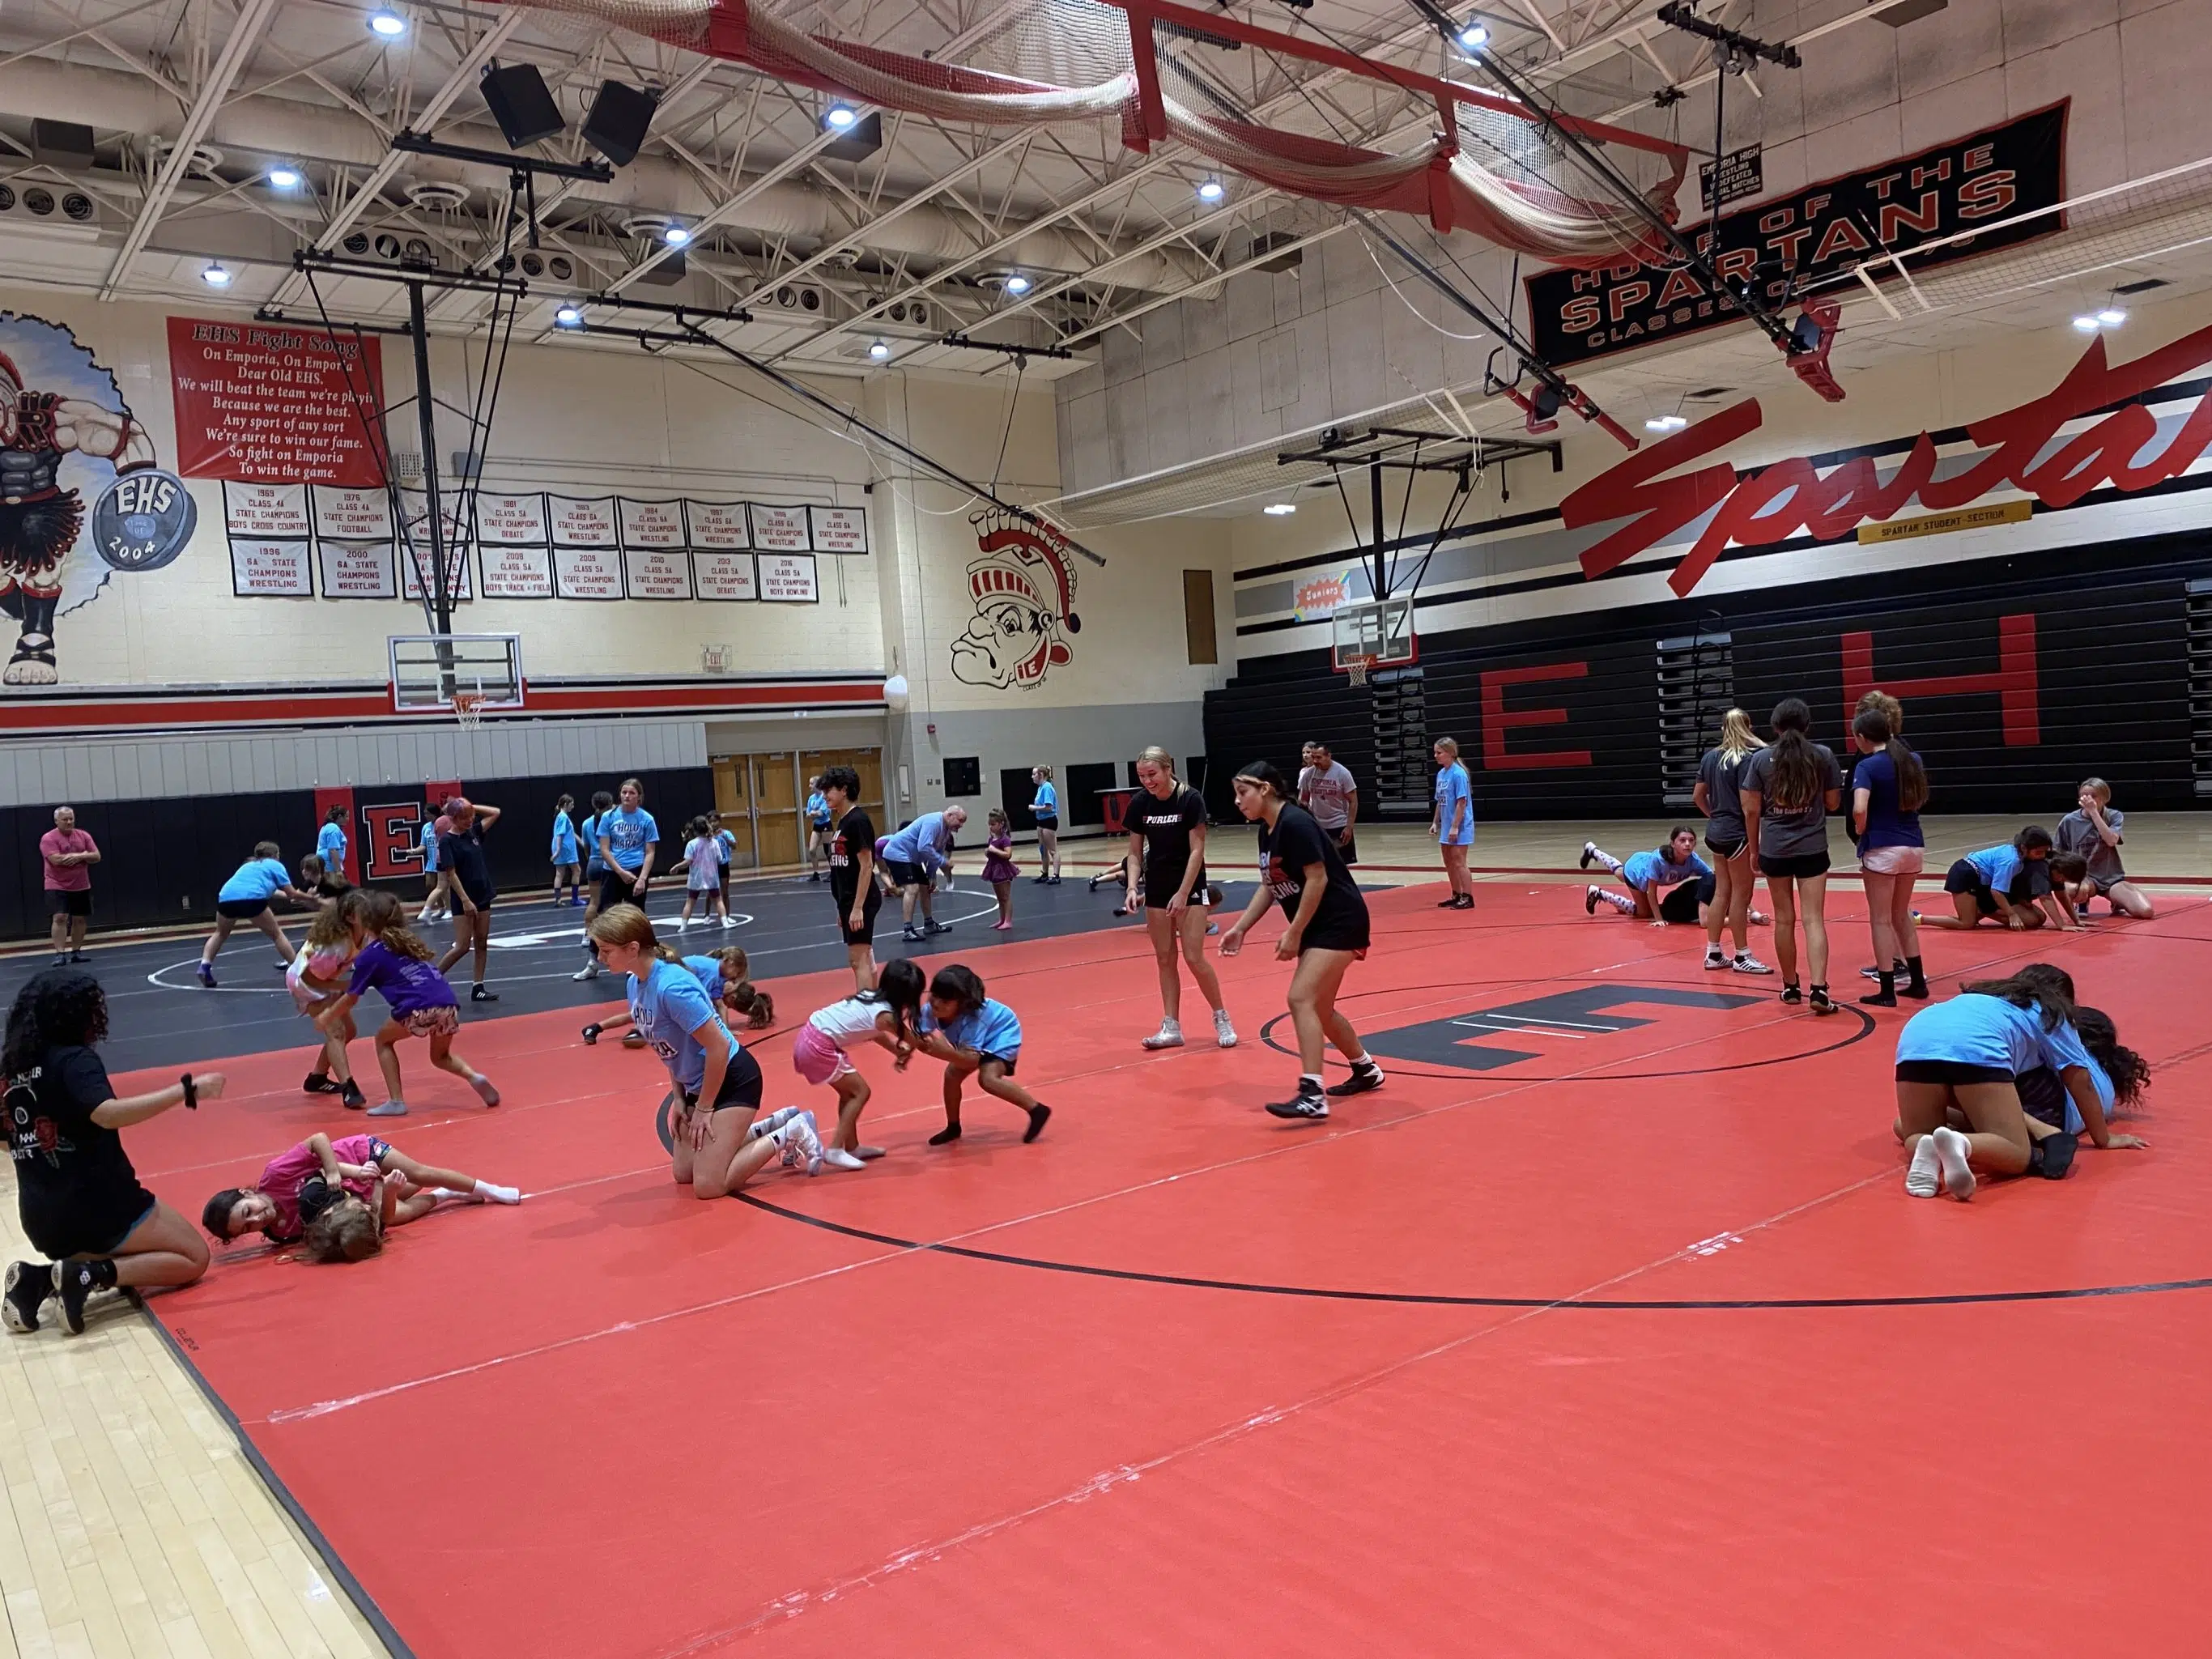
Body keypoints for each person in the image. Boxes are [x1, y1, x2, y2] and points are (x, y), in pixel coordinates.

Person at [4, 969, 225, 1336]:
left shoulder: (11, 1069)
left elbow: (7, 1136)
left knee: (127, 1250)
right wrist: (185, 1091)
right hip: (100, 1208)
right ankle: (89, 1273)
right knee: (193, 1257)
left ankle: (41, 1277)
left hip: (40, 1220)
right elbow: (106, 1114)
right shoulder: (74, 1059)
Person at [586, 904, 820, 1193]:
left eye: (606, 950)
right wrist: (680, 1098)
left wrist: (705, 1107)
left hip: (731, 1080)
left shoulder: (672, 988)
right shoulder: (635, 983)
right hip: (697, 1083)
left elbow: (719, 1047)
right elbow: (667, 1048)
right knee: (684, 1172)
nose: (600, 957)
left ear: (632, 948)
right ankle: (770, 1124)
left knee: (709, 1185)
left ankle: (790, 1131)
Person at [1894, 968, 2146, 1200]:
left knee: (1910, 1128)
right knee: (2016, 1153)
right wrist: (2104, 1139)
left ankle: (1927, 1144)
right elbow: (2080, 1079)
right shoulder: (2051, 1012)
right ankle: (1960, 1143)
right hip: (1975, 1045)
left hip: (1916, 1035)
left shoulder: (1985, 998)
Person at [1220, 759, 1381, 1121]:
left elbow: (1318, 878)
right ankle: (1365, 1068)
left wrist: (1293, 932)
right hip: (1317, 927)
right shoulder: (1268, 830)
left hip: (1340, 922)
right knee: (1319, 1008)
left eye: (1242, 792)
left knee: (1299, 998)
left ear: (1266, 789)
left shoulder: (1295, 823)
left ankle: (1312, 1094)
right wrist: (1242, 927)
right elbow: (1271, 885)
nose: (1237, 801)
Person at [317, 891, 500, 1119]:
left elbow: (352, 997)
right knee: (440, 1057)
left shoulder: (369, 956)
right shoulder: (407, 942)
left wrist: (328, 1015)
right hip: (448, 1003)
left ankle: (396, 1101)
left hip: (418, 1007)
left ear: (366, 922)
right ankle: (474, 1077)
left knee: (383, 1040)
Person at [202, 1130, 519, 1248]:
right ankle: (446, 1195)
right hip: (356, 1195)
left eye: (249, 1212)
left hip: (356, 1154)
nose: (257, 1220)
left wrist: (336, 1170)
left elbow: (318, 1140)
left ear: (247, 1194)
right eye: (248, 1228)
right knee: (392, 1217)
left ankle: (489, 1189)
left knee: (419, 1172)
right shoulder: (281, 1231)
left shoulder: (275, 1175)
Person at [1125, 747, 1236, 1051]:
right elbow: (1134, 853)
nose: (1148, 781)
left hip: (1189, 886)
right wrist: (1133, 887)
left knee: (1193, 956)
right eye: (1142, 776)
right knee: (1164, 958)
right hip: (1158, 887)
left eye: (1153, 775)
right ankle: (1171, 1026)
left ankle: (1221, 1016)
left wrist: (1184, 893)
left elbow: (1197, 850)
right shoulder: (1139, 804)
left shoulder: (1190, 799)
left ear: (1168, 768)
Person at [1739, 698, 1842, 1015]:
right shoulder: (1822, 755)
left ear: (1775, 727)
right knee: (1814, 920)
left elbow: (1751, 809)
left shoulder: (1761, 759)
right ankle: (1820, 989)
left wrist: (1755, 850)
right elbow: (1834, 803)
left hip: (1775, 849)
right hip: (1812, 847)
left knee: (1784, 919)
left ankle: (1790, 986)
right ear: (1807, 726)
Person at [793, 959, 925, 1171]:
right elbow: (917, 1041)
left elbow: (873, 1033)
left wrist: (897, 1051)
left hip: (809, 1038)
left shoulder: (870, 997)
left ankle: (851, 1147)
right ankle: (835, 1150)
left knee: (849, 1094)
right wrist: (914, 1045)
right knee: (860, 1092)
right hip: (819, 1046)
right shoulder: (887, 1017)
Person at [912, 963, 1049, 1145]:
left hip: (1001, 1034)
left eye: (945, 1001)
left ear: (962, 1004)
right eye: (934, 996)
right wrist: (905, 1050)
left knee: (988, 1079)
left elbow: (971, 1060)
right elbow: (920, 1035)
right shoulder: (931, 1010)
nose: (936, 1003)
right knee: (951, 1075)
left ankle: (1037, 1110)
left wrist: (944, 1052)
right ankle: (953, 1127)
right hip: (976, 1041)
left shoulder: (974, 1019)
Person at [1848, 706, 1929, 1006]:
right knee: (1902, 914)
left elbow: (1859, 808)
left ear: (1861, 737)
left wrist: (1861, 830)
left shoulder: (1867, 766)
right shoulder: (1912, 760)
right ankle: (1918, 981)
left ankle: (1886, 990)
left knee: (1881, 920)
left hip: (1883, 847)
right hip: (1913, 845)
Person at [1692, 710, 1771, 975]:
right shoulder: (1746, 759)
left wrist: (1714, 814)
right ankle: (1742, 955)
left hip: (1715, 832)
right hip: (1737, 832)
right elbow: (1749, 807)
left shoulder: (1710, 757)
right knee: (1741, 894)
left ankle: (1713, 952)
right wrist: (1754, 845)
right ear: (1748, 726)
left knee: (1722, 891)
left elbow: (1697, 796)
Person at [583, 946, 774, 1048]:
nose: (733, 978)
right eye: (736, 972)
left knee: (637, 1013)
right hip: (664, 984)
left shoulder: (714, 969)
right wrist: (724, 1031)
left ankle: (597, 1027)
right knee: (642, 1014)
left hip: (664, 983)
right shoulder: (713, 972)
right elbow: (713, 1005)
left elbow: (714, 1004)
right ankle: (638, 1030)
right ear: (729, 962)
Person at [196, 842, 312, 988]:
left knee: (220, 933)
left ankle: (205, 965)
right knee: (276, 934)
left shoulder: (248, 866)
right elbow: (292, 892)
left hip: (226, 898)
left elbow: (275, 892)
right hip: (252, 899)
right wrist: (312, 898)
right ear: (275, 855)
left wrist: (293, 897)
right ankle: (298, 970)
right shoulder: (275, 865)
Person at [576, 780, 657, 981]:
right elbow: (604, 849)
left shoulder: (646, 819)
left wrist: (642, 879)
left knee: (636, 919)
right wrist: (619, 871)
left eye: (631, 793)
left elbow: (650, 851)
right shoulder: (609, 817)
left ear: (639, 796)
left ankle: (641, 961)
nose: (626, 796)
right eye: (623, 792)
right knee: (603, 915)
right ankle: (593, 962)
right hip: (613, 871)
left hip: (636, 871)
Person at [1923, 829, 2082, 932]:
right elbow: (1996, 890)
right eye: (2039, 852)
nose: (2042, 856)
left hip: (1983, 883)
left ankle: (1982, 910)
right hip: (1967, 875)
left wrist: (2076, 920)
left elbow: (2060, 894)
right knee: (1967, 923)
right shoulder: (2012, 861)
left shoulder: (2031, 859)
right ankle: (1919, 918)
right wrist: (2012, 914)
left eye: (2045, 852)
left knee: (2038, 919)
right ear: (2024, 848)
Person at [288, 900, 366, 1109]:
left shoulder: (363, 934)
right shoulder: (336, 945)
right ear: (351, 918)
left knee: (349, 1031)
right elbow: (310, 978)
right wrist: (344, 984)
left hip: (326, 979)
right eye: (366, 912)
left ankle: (317, 1078)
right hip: (304, 983)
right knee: (336, 1032)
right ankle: (348, 1088)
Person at [2055, 777, 2154, 921]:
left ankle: (2117, 901)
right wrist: (2074, 877)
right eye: (2084, 796)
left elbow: (2111, 840)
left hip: (2111, 879)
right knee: (2071, 889)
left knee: (2146, 912)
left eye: (2093, 796)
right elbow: (2058, 853)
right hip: (2084, 878)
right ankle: (2082, 902)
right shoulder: (2069, 821)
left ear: (2105, 798)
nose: (2088, 800)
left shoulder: (2114, 816)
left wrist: (2094, 813)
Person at [433, 797, 501, 1001]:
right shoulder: (447, 841)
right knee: (462, 945)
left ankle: (478, 986)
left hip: (482, 893)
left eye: (471, 817)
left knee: (482, 942)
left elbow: (495, 812)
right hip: (464, 897)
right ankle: (432, 978)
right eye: (464, 818)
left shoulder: (473, 833)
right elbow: (451, 874)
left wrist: (470, 806)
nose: (469, 820)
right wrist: (464, 899)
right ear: (453, 819)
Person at [1581, 829, 1715, 925]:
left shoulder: (1694, 861)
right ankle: (1601, 894)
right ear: (1673, 843)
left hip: (1642, 861)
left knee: (1619, 873)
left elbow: (1711, 878)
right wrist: (1659, 919)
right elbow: (1651, 892)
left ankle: (1593, 851)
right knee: (1644, 913)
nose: (1687, 844)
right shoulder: (1660, 861)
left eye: (1691, 841)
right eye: (1682, 840)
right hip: (1636, 874)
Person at [881, 806, 967, 942]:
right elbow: (924, 846)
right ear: (950, 816)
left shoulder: (945, 831)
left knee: (925, 887)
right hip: (897, 853)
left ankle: (929, 924)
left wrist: (931, 875)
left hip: (912, 857)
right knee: (912, 888)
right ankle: (908, 930)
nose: (961, 826)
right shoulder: (934, 822)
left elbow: (936, 852)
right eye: (960, 821)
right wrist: (943, 862)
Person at [39, 806, 99, 966]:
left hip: (81, 884)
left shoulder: (83, 835)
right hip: (56, 884)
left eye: (71, 819)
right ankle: (60, 953)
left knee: (79, 919)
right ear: (56, 821)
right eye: (65, 819)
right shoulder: (48, 838)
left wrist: (77, 856)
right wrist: (83, 856)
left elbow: (96, 856)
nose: (69, 822)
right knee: (60, 917)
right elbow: (56, 860)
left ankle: (76, 951)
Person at [1297, 742, 1359, 866]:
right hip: (1318, 826)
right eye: (1313, 757)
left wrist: (1349, 827)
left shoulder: (1342, 773)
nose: (1315, 761)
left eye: (1319, 757)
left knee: (1341, 865)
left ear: (1328, 756)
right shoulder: (1308, 774)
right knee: (1320, 863)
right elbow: (1303, 799)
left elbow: (1353, 801)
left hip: (1339, 825)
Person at [1431, 736, 1474, 910]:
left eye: (1439, 752)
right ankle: (1456, 893)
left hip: (1460, 825)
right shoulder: (1441, 774)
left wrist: (1455, 826)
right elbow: (1440, 801)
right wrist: (1436, 822)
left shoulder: (1458, 774)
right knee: (1448, 861)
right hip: (1447, 825)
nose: (1435, 756)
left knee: (1459, 861)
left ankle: (1468, 896)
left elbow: (1461, 802)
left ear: (1449, 753)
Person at [676, 816, 733, 930]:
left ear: (695, 830)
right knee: (718, 900)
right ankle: (725, 922)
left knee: (690, 902)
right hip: (711, 876)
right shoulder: (714, 843)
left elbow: (688, 862)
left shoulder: (692, 844)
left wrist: (677, 867)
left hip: (697, 877)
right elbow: (720, 859)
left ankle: (683, 926)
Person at [981, 808, 1019, 929]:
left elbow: (1008, 855)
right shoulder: (991, 839)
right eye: (989, 825)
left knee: (1005, 896)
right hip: (993, 868)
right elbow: (993, 853)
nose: (991, 827)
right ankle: (1002, 919)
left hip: (1003, 869)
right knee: (999, 897)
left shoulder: (1005, 839)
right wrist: (988, 852)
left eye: (993, 824)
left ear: (1001, 824)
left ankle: (1008, 920)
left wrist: (994, 850)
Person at [417, 807, 451, 924]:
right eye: (425, 813)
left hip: (443, 859)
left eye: (428, 813)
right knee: (433, 886)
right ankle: (440, 908)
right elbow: (423, 845)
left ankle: (448, 909)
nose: (426, 815)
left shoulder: (443, 823)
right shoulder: (426, 827)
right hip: (433, 861)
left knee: (443, 887)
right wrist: (414, 851)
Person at [1029, 766, 1061, 884]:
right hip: (1041, 821)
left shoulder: (1047, 788)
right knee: (1043, 849)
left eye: (1034, 774)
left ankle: (1056, 876)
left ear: (1041, 775)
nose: (1032, 777)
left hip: (1049, 820)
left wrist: (1035, 808)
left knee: (1053, 850)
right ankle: (1044, 873)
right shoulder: (1040, 788)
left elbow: (1049, 807)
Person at [551, 794, 583, 906]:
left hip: (561, 847)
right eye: (572, 804)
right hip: (566, 848)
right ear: (566, 804)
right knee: (577, 870)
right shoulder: (563, 817)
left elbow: (572, 833)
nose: (573, 806)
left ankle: (558, 900)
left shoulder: (561, 817)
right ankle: (575, 898)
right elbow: (560, 834)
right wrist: (558, 850)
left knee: (560, 873)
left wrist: (582, 843)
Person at [805, 780, 833, 881]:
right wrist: (813, 813)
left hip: (826, 824)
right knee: (812, 850)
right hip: (817, 825)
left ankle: (833, 872)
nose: (810, 786)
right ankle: (816, 873)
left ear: (817, 785)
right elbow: (808, 814)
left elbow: (823, 813)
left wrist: (814, 813)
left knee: (828, 850)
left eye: (812, 784)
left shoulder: (824, 797)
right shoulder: (811, 798)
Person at [316, 805, 350, 885]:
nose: (348, 819)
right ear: (340, 816)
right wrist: (338, 872)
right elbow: (333, 850)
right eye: (347, 816)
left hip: (328, 867)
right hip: (330, 869)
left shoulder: (327, 827)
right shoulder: (333, 829)